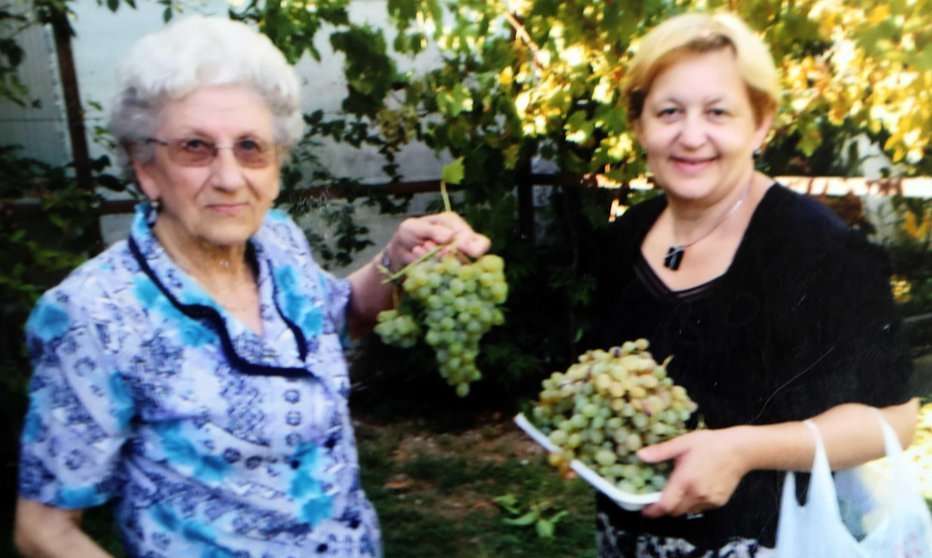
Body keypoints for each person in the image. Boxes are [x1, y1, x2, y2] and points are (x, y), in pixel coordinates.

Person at [14, 15, 490, 558]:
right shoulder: (95, 313)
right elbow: (43, 528)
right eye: (195, 146)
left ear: (277, 164)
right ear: (146, 167)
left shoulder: (278, 241)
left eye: (250, 147)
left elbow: (338, 316)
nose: (229, 176)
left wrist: (396, 260)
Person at [585, 11, 919, 557]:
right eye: (669, 111)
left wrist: (744, 448)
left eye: (718, 112)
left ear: (760, 123)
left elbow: (896, 420)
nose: (691, 136)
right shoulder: (625, 241)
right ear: (640, 122)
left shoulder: (818, 249)